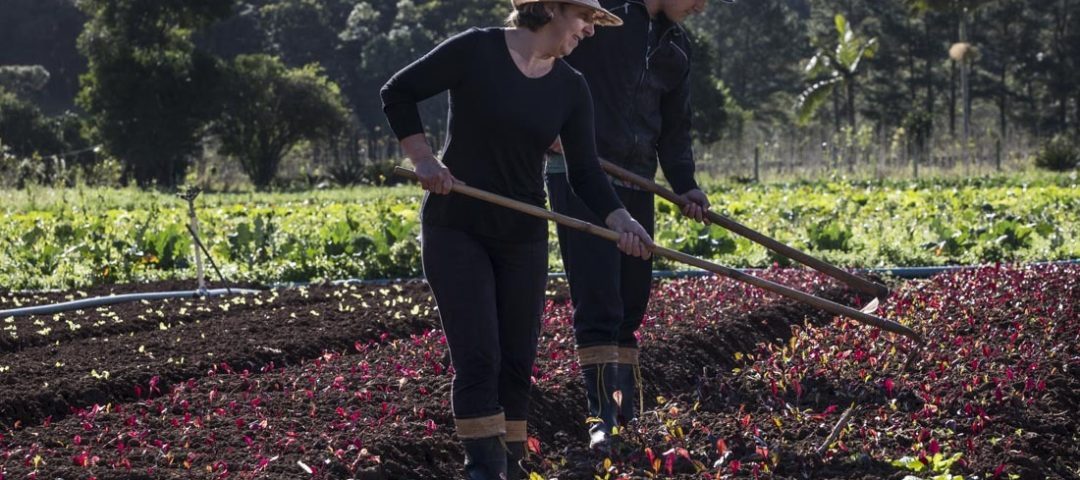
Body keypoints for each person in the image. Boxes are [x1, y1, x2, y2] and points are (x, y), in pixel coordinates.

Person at [380, 1, 654, 478]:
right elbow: (398, 92)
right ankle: (482, 469)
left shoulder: (572, 87)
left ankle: (508, 463)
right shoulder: (477, 50)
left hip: (521, 237)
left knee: (516, 362)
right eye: (585, 18)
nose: (590, 31)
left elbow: (585, 172)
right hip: (456, 225)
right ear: (551, 8)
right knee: (480, 356)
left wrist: (621, 220)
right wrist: (424, 158)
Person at [544, 0, 723, 451]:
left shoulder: (677, 46)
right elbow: (547, 61)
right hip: (581, 175)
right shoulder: (602, 20)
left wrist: (686, 185)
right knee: (599, 296)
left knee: (631, 297)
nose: (701, 6)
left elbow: (675, 126)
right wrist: (545, 126)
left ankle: (626, 411)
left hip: (637, 180)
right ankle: (600, 418)